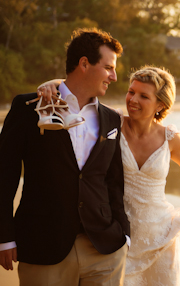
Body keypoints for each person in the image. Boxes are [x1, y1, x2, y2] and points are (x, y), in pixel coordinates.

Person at [38, 65, 180, 285]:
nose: (133, 99)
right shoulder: (112, 123)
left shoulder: (170, 138)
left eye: (143, 96)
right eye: (131, 91)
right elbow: (79, 92)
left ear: (160, 105)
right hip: (122, 237)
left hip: (163, 237)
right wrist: (55, 83)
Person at [0, 28, 130, 285]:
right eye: (108, 68)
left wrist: (123, 234)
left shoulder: (112, 118)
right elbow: (5, 175)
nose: (114, 77)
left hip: (104, 248)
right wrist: (5, 236)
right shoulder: (29, 109)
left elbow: (113, 182)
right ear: (84, 63)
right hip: (43, 245)